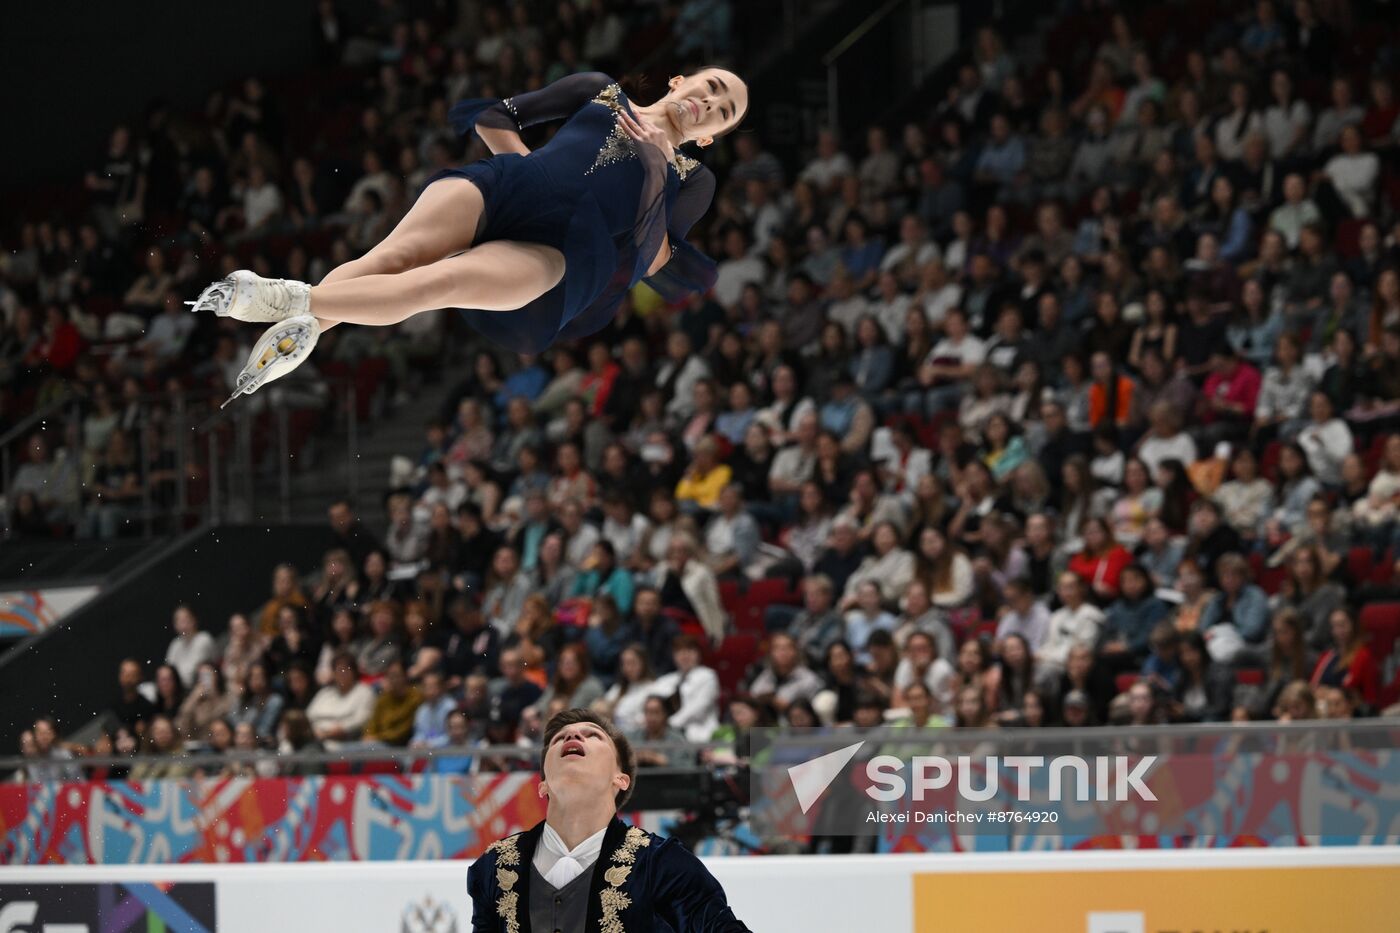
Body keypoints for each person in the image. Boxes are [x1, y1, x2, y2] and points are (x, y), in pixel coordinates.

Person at [192, 69, 749, 406]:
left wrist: (654, 163)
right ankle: (303, 327)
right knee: (393, 256)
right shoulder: (601, 90)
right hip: (509, 185)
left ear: (712, 135)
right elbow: (493, 116)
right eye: (713, 87)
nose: (710, 102)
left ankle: (290, 301)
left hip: (557, 252)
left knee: (438, 283)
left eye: (723, 112)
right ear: (684, 79)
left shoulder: (692, 179)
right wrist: (533, 174)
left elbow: (654, 261)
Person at [467, 709, 749, 931]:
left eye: (593, 735)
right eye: (558, 738)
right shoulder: (494, 866)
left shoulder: (661, 864)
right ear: (543, 784)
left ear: (621, 779)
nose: (573, 735)